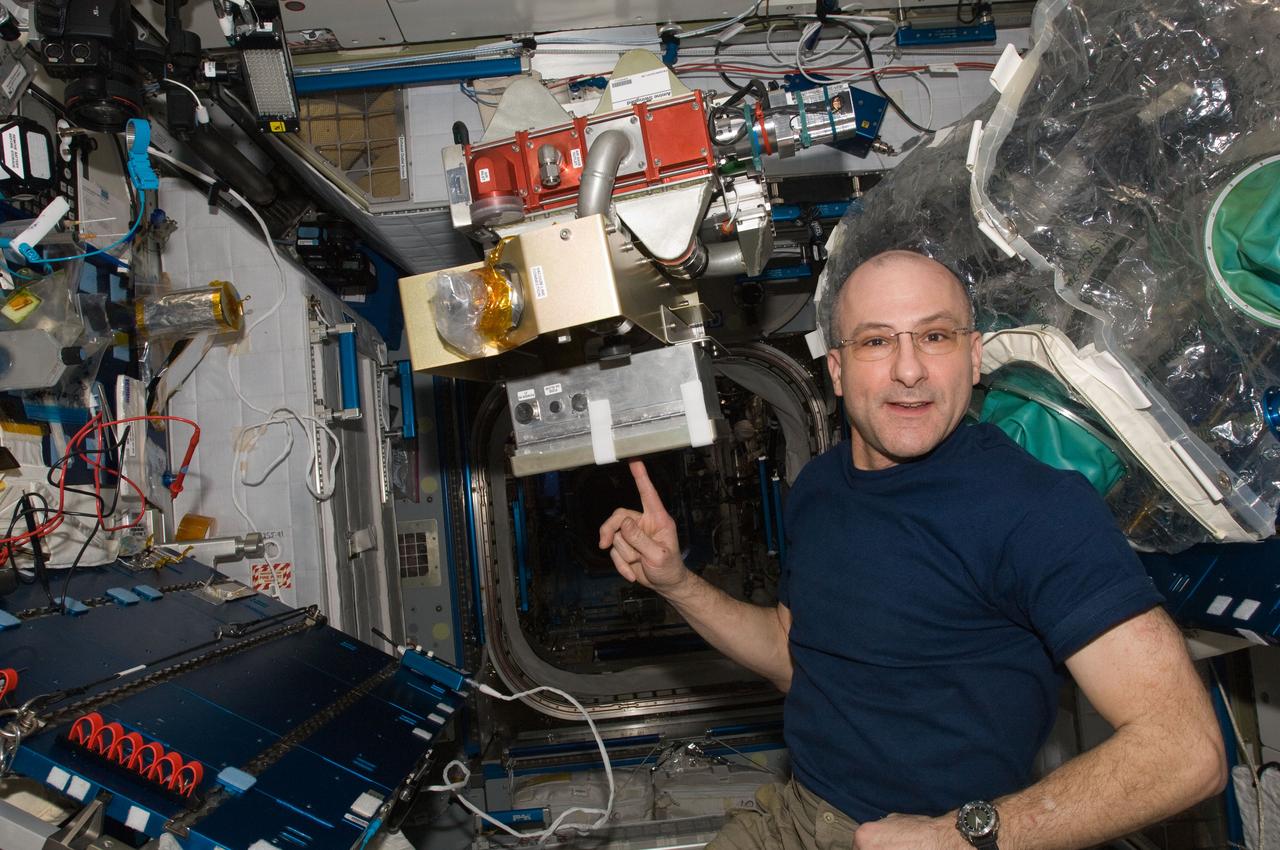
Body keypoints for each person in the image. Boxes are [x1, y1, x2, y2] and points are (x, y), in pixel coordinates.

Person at [598, 250, 1225, 850]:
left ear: (974, 357)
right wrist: (677, 582)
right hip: (793, 815)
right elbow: (801, 659)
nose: (908, 370)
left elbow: (1184, 750)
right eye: (876, 341)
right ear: (838, 372)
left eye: (935, 337)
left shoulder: (1037, 510)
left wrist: (956, 836)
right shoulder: (818, 489)